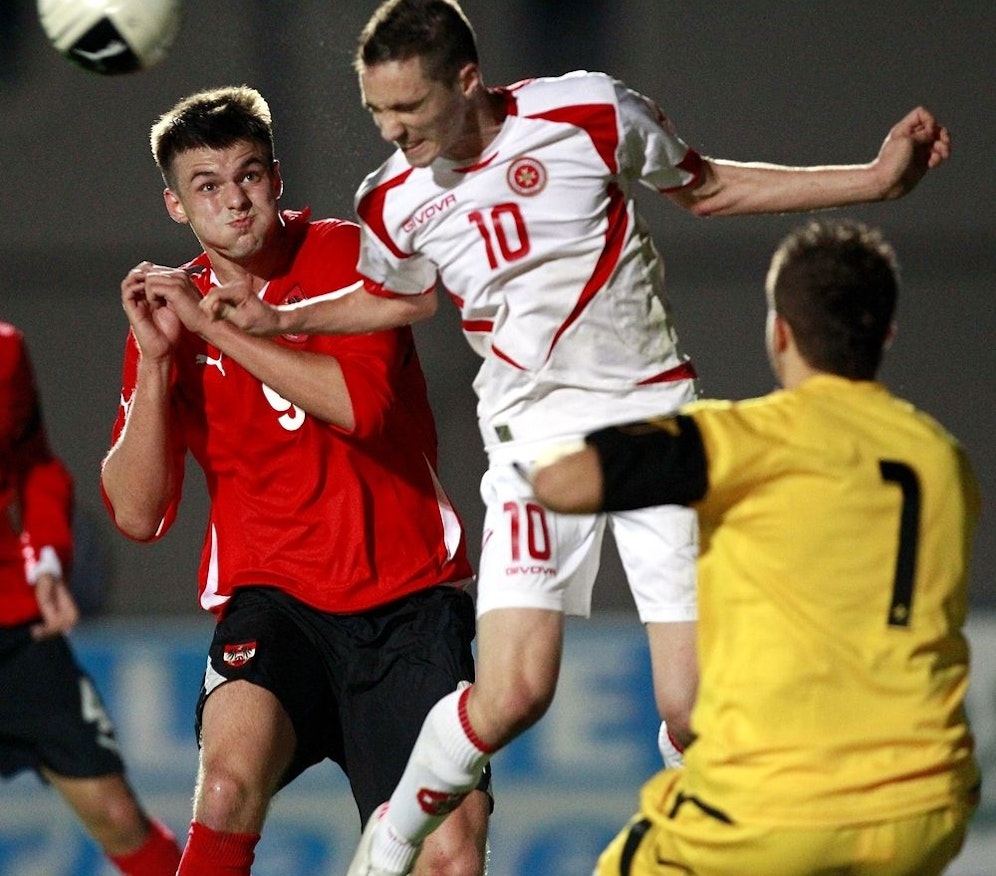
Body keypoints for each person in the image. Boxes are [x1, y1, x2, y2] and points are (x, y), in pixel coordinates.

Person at [198, 3, 952, 872]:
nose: (391, 130)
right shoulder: (392, 196)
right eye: (377, 111)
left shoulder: (589, 112)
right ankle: (391, 839)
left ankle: (688, 838)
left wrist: (874, 180)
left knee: (692, 708)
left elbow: (706, 187)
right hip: (532, 443)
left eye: (408, 108)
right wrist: (281, 319)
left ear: (466, 81)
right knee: (513, 695)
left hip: (654, 425)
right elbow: (404, 296)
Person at [99, 85, 490, 876]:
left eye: (248, 175)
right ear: (177, 206)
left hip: (408, 604)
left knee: (448, 855)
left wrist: (215, 331)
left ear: (276, 178)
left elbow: (362, 409)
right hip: (274, 602)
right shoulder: (169, 321)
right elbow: (139, 515)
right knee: (225, 789)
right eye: (207, 185)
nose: (234, 200)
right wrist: (160, 362)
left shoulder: (349, 257)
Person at [532, 219, 980, 876]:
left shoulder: (746, 438)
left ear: (780, 333)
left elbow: (563, 483)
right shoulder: (942, 460)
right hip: (926, 805)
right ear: (885, 333)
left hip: (775, 806)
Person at [0, 321, 182, 874]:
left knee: (117, 814)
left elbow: (34, 463)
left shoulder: (6, 352)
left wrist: (45, 560)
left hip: (16, 628)